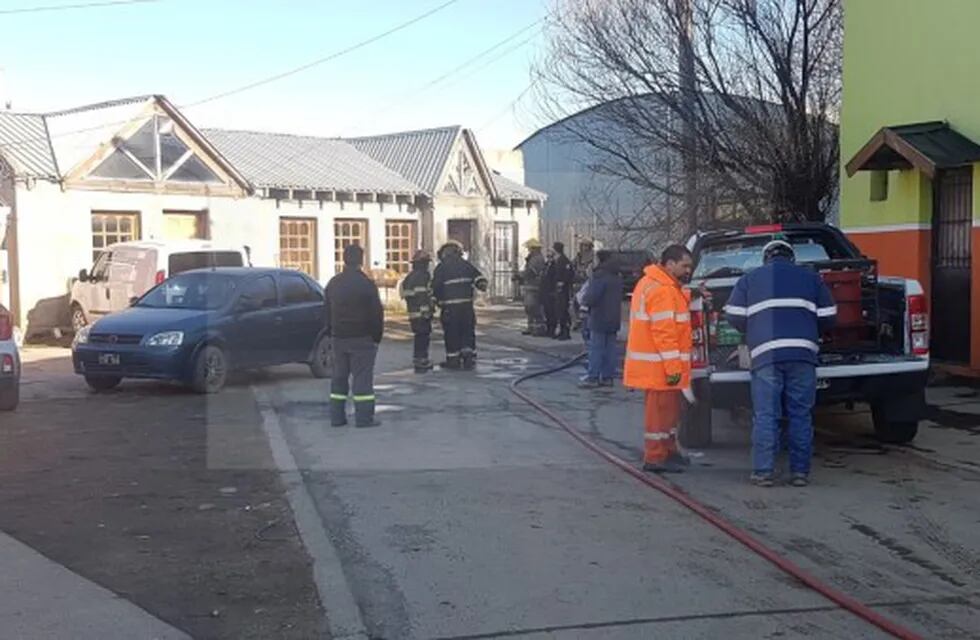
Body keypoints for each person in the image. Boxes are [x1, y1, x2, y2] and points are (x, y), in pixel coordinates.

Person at [724, 239, 837, 488]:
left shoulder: (750, 279)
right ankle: (799, 473)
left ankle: (764, 472)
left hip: (765, 355)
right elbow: (829, 317)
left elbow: (733, 315)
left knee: (766, 415)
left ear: (766, 258)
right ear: (792, 258)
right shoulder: (811, 278)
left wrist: (752, 329)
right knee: (800, 414)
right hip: (803, 355)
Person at [623, 244, 695, 474]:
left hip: (659, 365)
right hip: (660, 366)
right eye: (684, 266)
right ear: (670, 264)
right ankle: (655, 456)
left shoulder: (659, 285)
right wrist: (675, 366)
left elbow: (673, 305)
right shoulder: (662, 289)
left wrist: (692, 293)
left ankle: (668, 450)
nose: (688, 271)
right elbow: (665, 333)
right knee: (659, 414)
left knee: (669, 412)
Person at [324, 244, 384, 428]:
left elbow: (325, 312)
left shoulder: (333, 283)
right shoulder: (366, 285)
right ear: (361, 260)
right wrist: (376, 338)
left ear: (344, 259)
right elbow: (376, 314)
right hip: (362, 338)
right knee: (362, 380)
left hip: (339, 338)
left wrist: (331, 333)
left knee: (339, 378)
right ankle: (364, 419)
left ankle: (337, 418)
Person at [432, 240, 488, 371]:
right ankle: (468, 358)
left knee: (452, 333)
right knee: (467, 331)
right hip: (467, 308)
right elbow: (480, 279)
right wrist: (482, 285)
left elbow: (435, 287)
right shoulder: (466, 265)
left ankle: (453, 360)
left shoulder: (441, 268)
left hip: (450, 309)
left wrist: (436, 302)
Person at [578, 250, 623, 389]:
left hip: (599, 317)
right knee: (610, 348)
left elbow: (590, 297)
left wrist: (583, 301)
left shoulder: (599, 276)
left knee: (596, 348)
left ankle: (593, 377)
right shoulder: (617, 276)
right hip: (614, 317)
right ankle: (607, 377)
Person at [399, 250, 435, 373]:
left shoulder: (410, 276)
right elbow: (422, 294)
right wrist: (426, 310)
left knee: (419, 336)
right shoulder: (423, 276)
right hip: (421, 313)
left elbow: (406, 294)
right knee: (423, 336)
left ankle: (419, 359)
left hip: (413, 312)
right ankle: (422, 360)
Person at [516, 239, 547, 336]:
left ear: (534, 249)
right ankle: (531, 327)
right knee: (529, 308)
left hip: (534, 287)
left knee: (534, 307)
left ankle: (539, 329)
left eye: (530, 248)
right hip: (529, 286)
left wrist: (520, 275)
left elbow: (531, 272)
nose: (529, 250)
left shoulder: (537, 259)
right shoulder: (532, 258)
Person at [551, 241, 575, 341]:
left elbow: (569, 273)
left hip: (563, 289)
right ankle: (561, 330)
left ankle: (566, 332)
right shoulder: (557, 260)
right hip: (558, 288)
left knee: (563, 310)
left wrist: (563, 282)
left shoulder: (564, 260)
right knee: (559, 311)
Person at [572, 239, 596, 330]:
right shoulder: (578, 256)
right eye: (583, 245)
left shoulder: (593, 257)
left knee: (585, 304)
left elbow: (593, 269)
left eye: (586, 246)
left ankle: (586, 323)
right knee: (575, 303)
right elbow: (572, 265)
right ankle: (577, 321)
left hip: (587, 282)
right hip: (577, 282)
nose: (584, 248)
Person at [541, 248, 557, 338]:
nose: (549, 258)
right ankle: (548, 328)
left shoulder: (554, 266)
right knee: (546, 311)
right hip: (545, 291)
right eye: (548, 256)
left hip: (551, 291)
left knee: (552, 312)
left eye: (551, 256)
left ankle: (552, 329)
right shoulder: (546, 265)